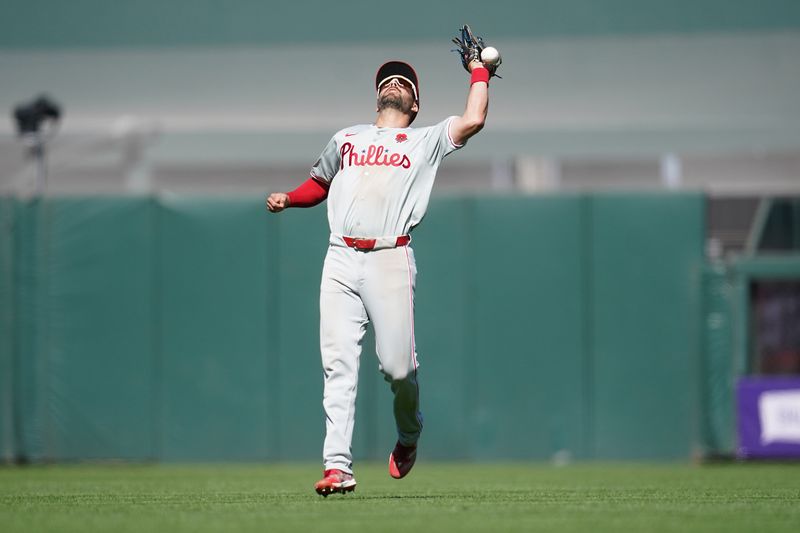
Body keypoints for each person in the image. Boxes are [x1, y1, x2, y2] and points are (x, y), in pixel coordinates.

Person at [266, 57, 490, 496]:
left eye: (404, 82)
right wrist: (290, 199)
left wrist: (479, 71)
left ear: (415, 103)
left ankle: (409, 433)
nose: (394, 83)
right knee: (338, 365)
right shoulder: (347, 137)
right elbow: (320, 182)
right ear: (377, 98)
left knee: (398, 368)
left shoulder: (424, 139)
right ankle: (337, 466)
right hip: (341, 256)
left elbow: (474, 119)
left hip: (391, 255)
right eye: (388, 80)